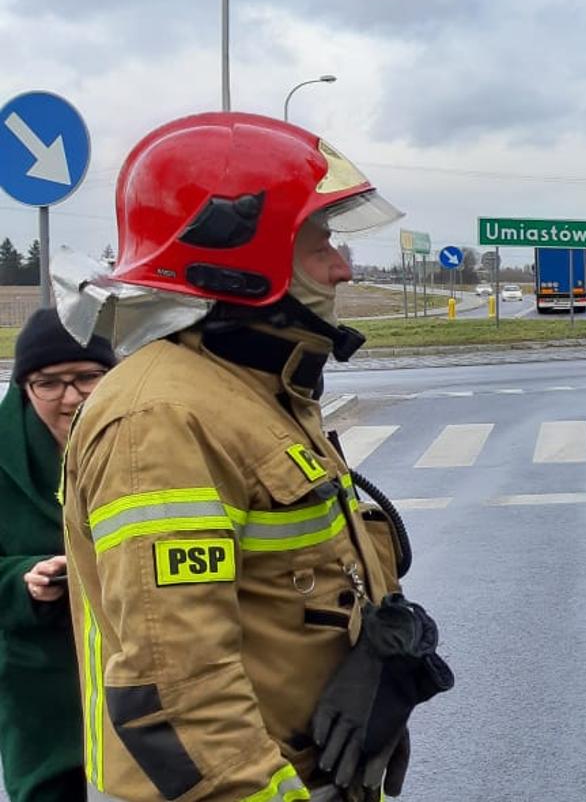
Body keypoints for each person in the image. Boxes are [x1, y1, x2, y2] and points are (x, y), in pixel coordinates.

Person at [59, 113, 452, 801]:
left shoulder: (255, 391)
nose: (343, 265)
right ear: (242, 256)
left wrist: (382, 651)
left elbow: (294, 584)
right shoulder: (161, 420)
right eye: (320, 240)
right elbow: (176, 694)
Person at [0, 308, 115, 802]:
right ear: (25, 387)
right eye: (49, 382)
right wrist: (24, 579)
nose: (70, 397)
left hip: (131, 675)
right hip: (43, 689)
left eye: (87, 377)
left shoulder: (142, 437)